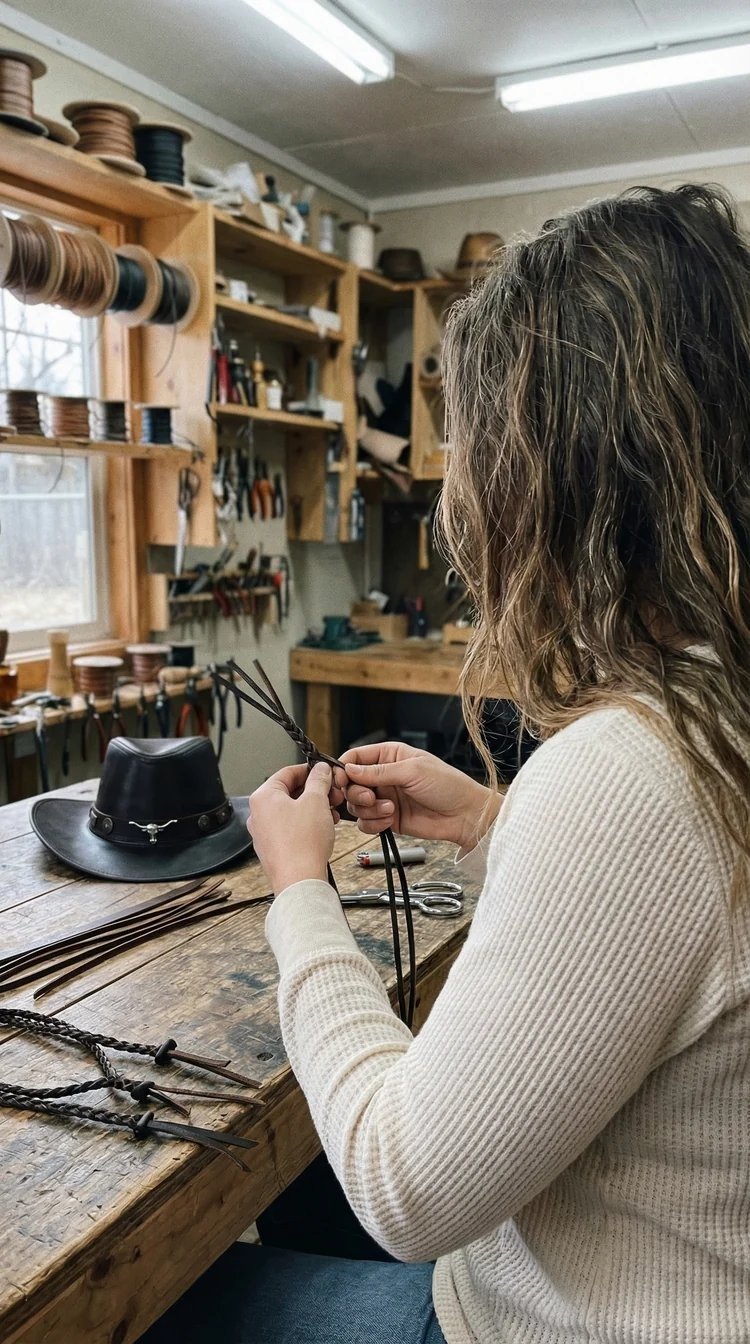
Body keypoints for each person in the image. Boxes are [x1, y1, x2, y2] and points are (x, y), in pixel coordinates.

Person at [143, 184, 750, 1343]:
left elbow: (405, 1188)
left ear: (561, 470)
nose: (462, 477)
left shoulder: (634, 770)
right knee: (294, 1182)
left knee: (165, 1303)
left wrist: (302, 893)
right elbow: (681, 930)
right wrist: (492, 822)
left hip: (550, 1322)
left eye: (476, 439)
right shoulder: (717, 712)